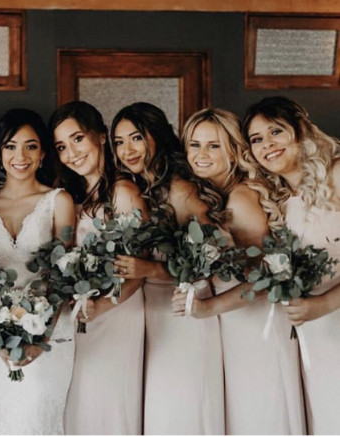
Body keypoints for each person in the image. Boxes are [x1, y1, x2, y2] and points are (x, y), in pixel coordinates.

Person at [173, 107, 306, 434]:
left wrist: (208, 307)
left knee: (262, 417)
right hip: (236, 323)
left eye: (213, 146)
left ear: (234, 151)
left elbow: (264, 279)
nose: (201, 155)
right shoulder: (212, 196)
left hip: (257, 325)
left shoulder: (241, 198)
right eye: (194, 145)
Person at [110, 102, 225, 434]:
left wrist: (149, 269)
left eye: (136, 138)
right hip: (153, 311)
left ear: (157, 136)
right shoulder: (139, 188)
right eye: (119, 142)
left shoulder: (179, 188)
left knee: (181, 410)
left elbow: (208, 261)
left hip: (184, 310)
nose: (127, 149)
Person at [0, 108, 76, 435]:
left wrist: (40, 339)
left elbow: (64, 274)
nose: (20, 156)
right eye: (11, 146)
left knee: (37, 416)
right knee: (1, 416)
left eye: (31, 146)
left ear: (42, 153)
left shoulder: (59, 201)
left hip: (49, 329)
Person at [243, 96, 340, 435]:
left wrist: (324, 304)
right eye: (257, 139)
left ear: (300, 130)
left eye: (275, 132)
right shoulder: (277, 201)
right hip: (312, 333)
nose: (267, 145)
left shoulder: (337, 174)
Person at [49, 101, 145, 434]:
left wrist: (102, 305)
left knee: (107, 404)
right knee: (83, 408)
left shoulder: (123, 192)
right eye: (62, 146)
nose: (71, 153)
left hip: (117, 312)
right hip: (83, 314)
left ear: (101, 136)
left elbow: (138, 269)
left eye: (77, 139)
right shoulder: (77, 196)